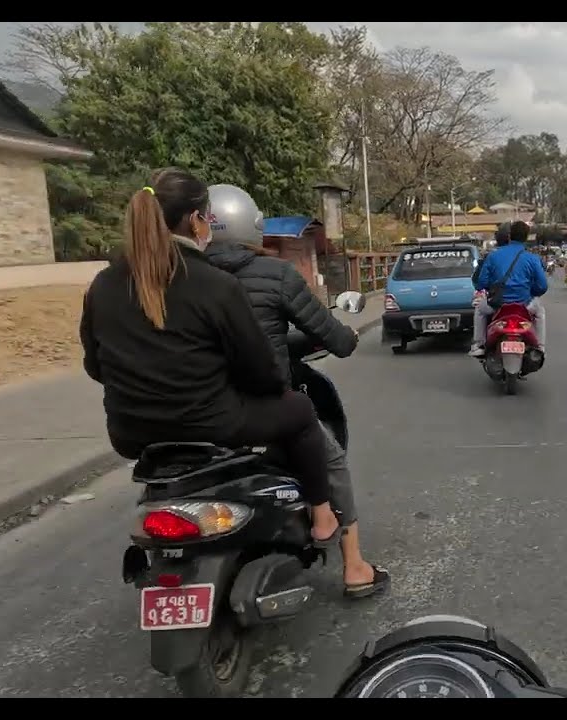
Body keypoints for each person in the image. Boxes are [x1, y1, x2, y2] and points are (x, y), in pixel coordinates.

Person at [78, 167, 340, 547]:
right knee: (298, 411)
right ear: (197, 220)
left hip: (131, 433)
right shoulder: (214, 284)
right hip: (213, 424)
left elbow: (95, 365)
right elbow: (262, 371)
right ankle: (322, 515)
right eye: (204, 218)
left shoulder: (103, 285)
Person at [201, 184, 389, 598]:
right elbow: (336, 339)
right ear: (252, 226)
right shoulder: (274, 273)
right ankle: (354, 567)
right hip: (262, 409)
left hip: (193, 412)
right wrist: (345, 336)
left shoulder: (179, 276)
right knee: (332, 462)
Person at [468, 220, 548, 358]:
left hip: (497, 305)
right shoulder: (533, 259)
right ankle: (540, 347)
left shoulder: (493, 256)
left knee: (480, 309)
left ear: (510, 236)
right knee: (540, 312)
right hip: (524, 306)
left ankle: (478, 345)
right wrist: (530, 292)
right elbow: (542, 286)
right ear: (526, 237)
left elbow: (481, 282)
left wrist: (491, 288)